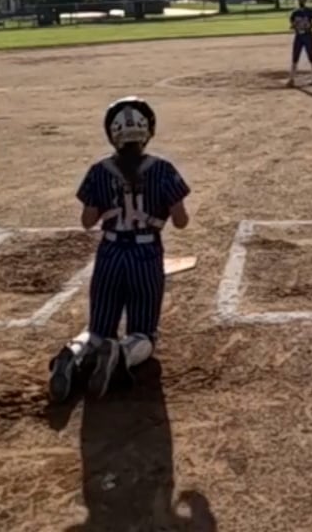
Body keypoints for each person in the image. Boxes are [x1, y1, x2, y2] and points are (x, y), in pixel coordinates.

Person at [48, 97, 191, 403]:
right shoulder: (163, 169)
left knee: (98, 329)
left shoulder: (99, 171)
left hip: (110, 253)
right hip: (146, 255)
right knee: (143, 333)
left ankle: (73, 352)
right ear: (148, 130)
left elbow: (87, 221)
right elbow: (181, 221)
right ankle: (122, 352)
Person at [288, 0, 312, 87]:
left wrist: (309, 25)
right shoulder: (295, 12)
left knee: (311, 56)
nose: (301, 1)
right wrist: (295, 26)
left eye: (302, 0)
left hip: (308, 35)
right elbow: (292, 24)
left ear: (305, 0)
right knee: (295, 57)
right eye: (300, 0)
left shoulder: (310, 11)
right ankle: (291, 79)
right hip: (299, 36)